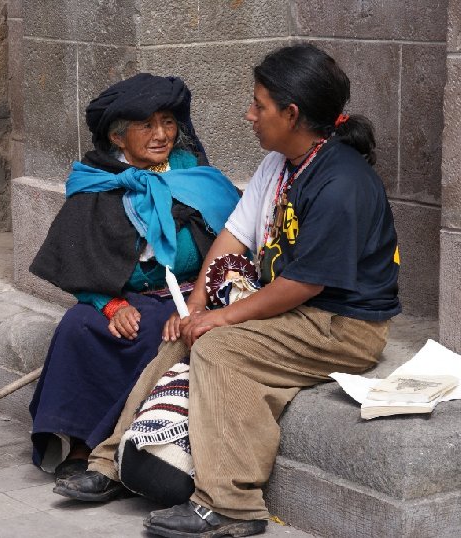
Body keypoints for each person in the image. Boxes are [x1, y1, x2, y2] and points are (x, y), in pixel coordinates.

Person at [54, 44, 401, 538]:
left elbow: (305, 283)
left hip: (342, 326)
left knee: (216, 346)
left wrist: (219, 319)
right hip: (299, 311)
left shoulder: (342, 181)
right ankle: (110, 463)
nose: (250, 115)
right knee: (182, 334)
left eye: (259, 105)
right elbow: (235, 234)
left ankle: (232, 505)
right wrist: (196, 304)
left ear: (292, 113)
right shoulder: (282, 163)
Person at [28, 74, 241, 481]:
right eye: (147, 125)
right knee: (77, 326)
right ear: (118, 137)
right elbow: (80, 260)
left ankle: (114, 449)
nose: (161, 135)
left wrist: (198, 303)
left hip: (191, 296)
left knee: (152, 336)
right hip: (124, 296)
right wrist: (110, 305)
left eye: (168, 123)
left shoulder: (192, 172)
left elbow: (233, 241)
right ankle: (77, 444)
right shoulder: (97, 178)